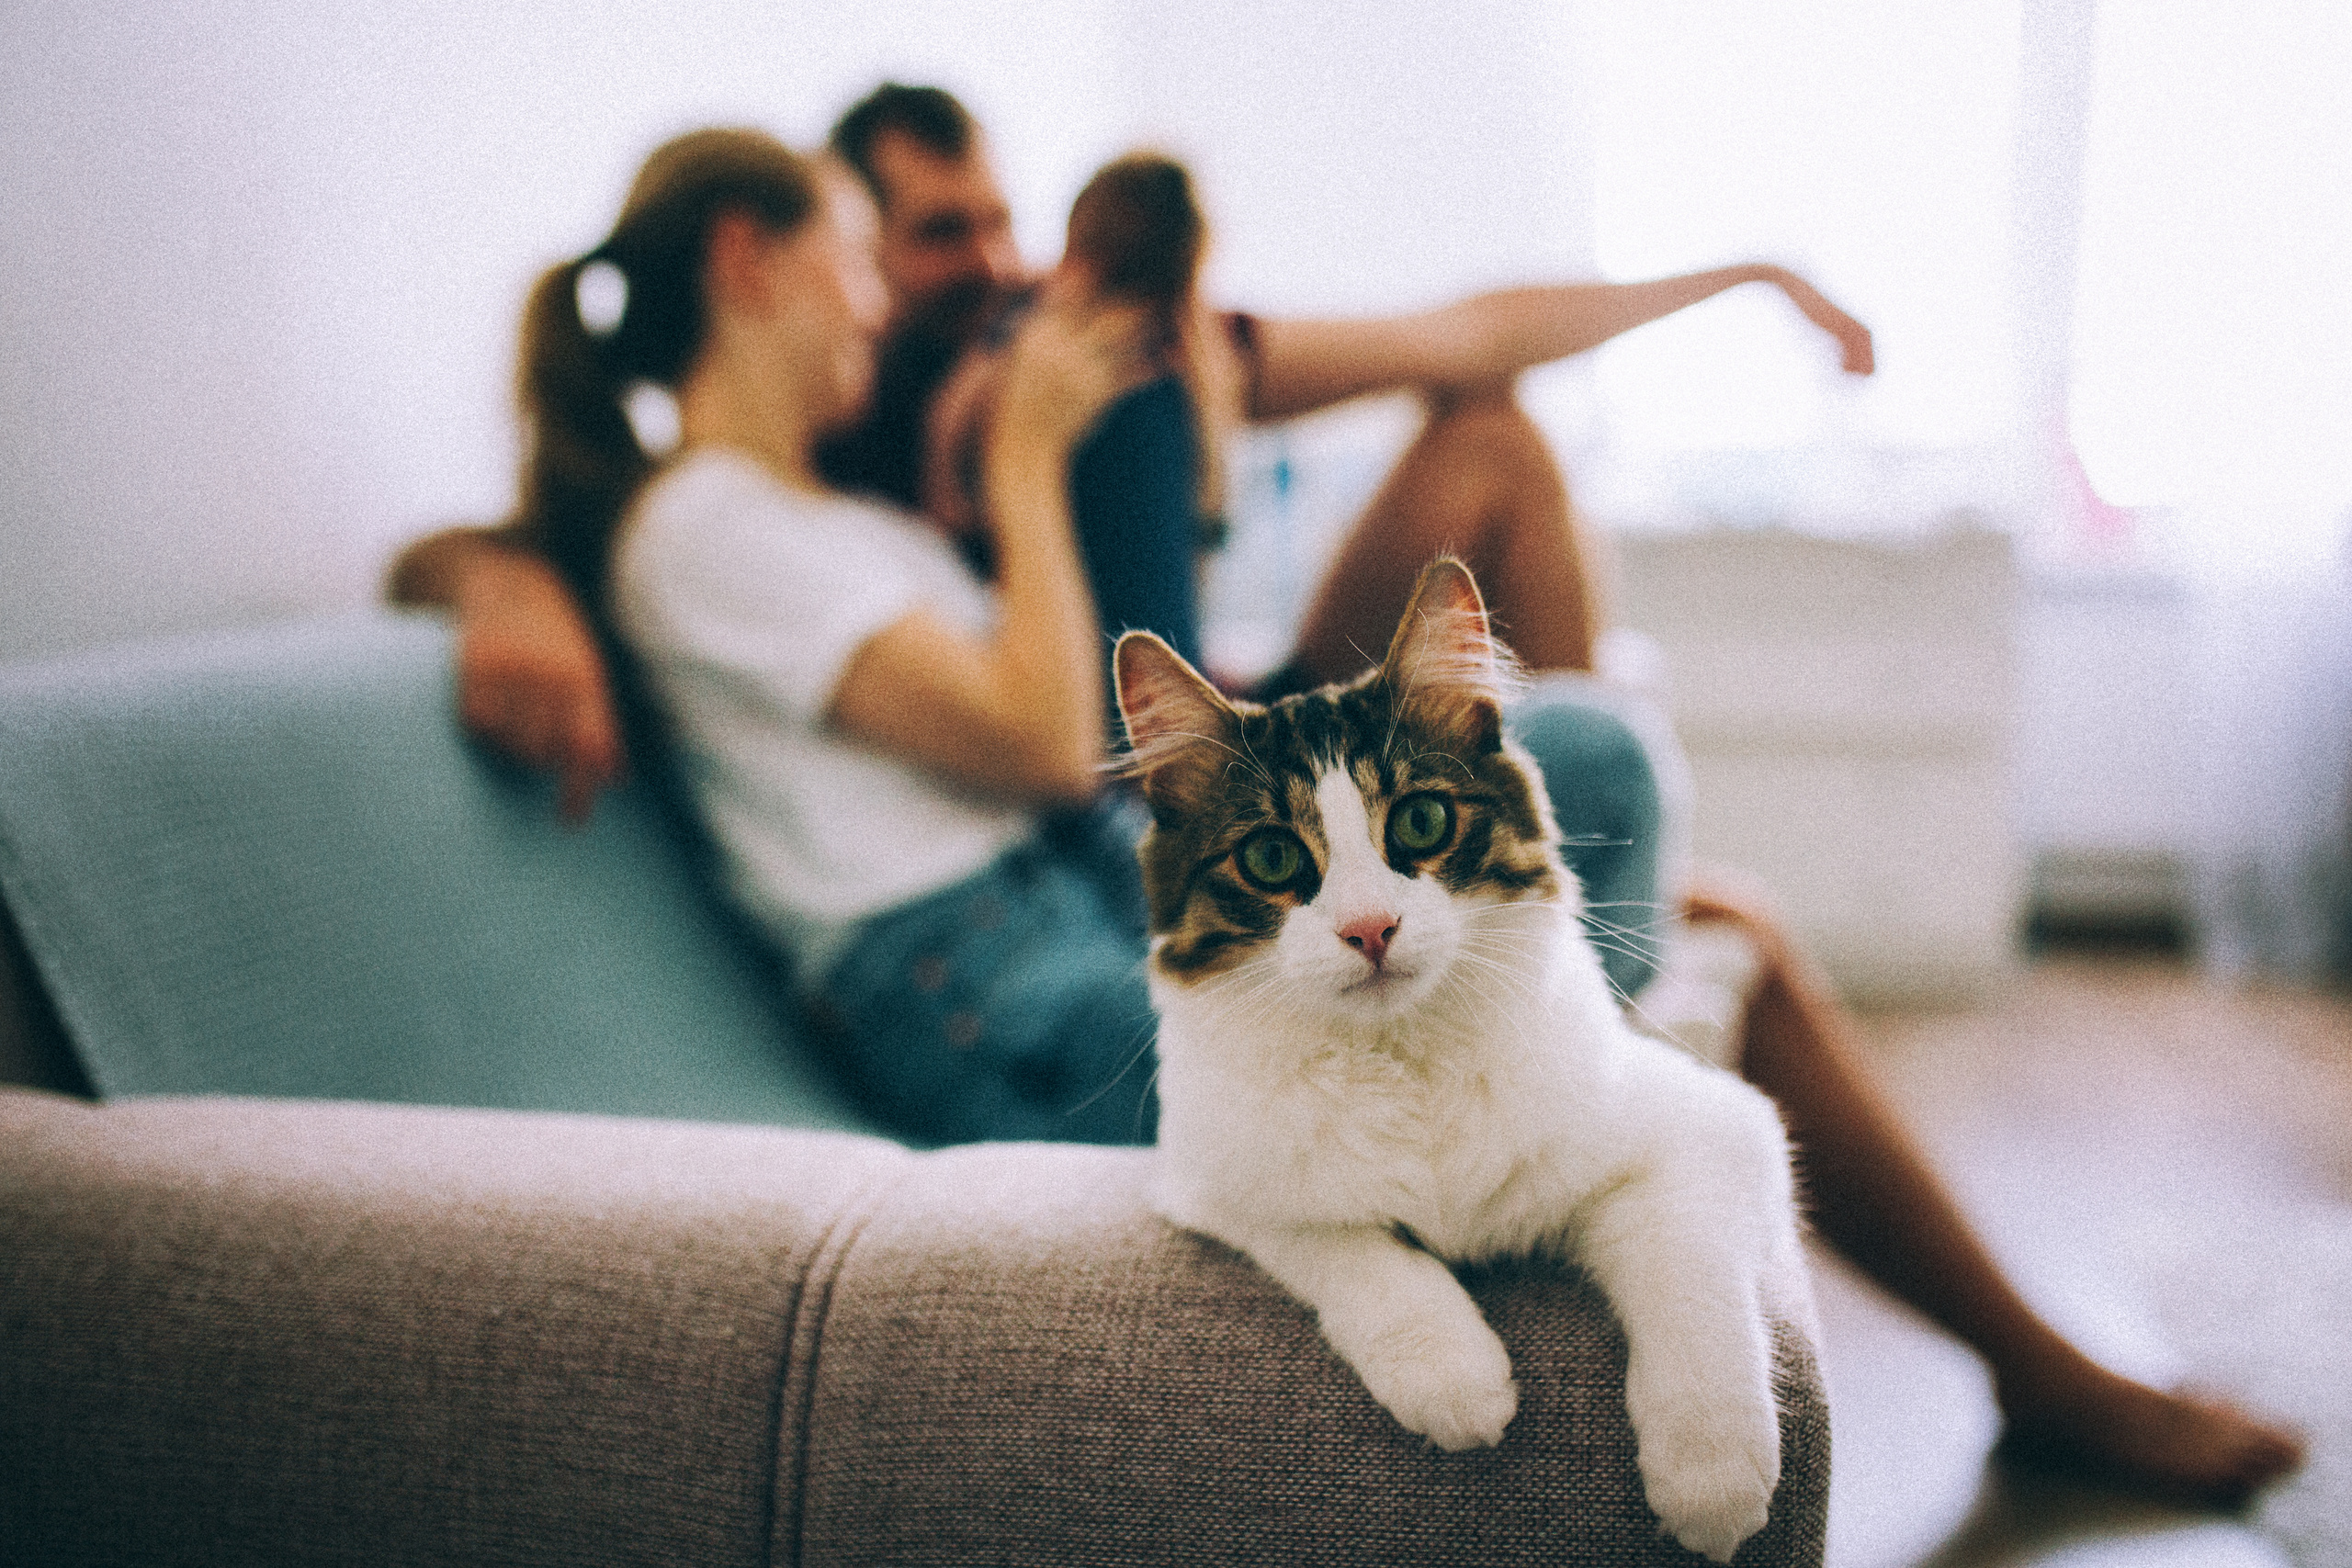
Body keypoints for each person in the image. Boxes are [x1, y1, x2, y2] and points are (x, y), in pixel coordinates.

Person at [395, 99, 2304, 1509]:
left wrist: (1741, 276)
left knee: (1587, 722)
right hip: (1000, 934)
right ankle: (2015, 1349)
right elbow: (1000, 708)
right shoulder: (754, 502)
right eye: (884, 240)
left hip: (1104, 860)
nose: (938, 286)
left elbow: (1461, 344)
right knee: (1731, 944)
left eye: (1000, 224)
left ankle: (1561, 980)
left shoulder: (868, 481)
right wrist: (500, 571)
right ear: (764, 261)